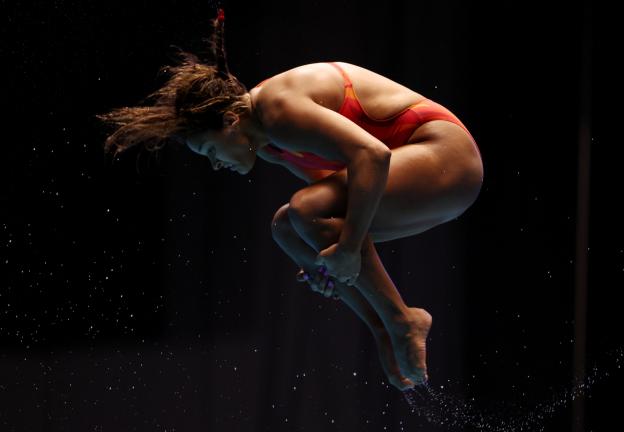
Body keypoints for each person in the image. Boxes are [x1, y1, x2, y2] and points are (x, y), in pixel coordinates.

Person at [96, 9, 483, 391]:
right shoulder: (269, 145)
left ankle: (402, 320)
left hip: (448, 157)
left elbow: (372, 157)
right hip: (435, 183)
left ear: (230, 122)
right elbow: (335, 203)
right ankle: (383, 326)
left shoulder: (279, 110)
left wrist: (346, 248)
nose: (216, 165)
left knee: (305, 210)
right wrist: (325, 260)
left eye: (211, 152)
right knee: (288, 228)